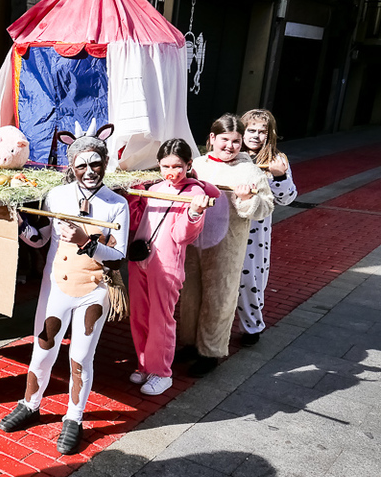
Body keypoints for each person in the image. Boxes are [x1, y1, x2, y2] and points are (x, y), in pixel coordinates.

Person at [0, 130, 129, 456]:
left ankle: (74, 417)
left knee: (81, 357)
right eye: (81, 165)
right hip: (56, 286)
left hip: (94, 290)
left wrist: (86, 241)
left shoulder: (117, 205)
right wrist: (18, 224)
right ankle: (30, 404)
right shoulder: (56, 196)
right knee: (42, 349)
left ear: (106, 162)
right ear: (71, 166)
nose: (89, 171)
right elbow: (40, 239)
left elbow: (118, 256)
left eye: (95, 164)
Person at [177, 114, 274, 376]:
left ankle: (210, 352)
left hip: (227, 247)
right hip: (194, 243)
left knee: (219, 298)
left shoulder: (249, 170)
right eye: (224, 140)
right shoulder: (197, 165)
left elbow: (266, 207)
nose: (230, 146)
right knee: (190, 296)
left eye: (236, 141)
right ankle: (190, 343)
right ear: (212, 138)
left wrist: (247, 199)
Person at [126, 139, 216, 396]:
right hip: (139, 257)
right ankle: (145, 365)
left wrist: (194, 213)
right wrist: (134, 195)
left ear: (188, 164)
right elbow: (135, 222)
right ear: (158, 164)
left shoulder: (194, 193)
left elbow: (182, 236)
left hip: (166, 264)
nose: (172, 172)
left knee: (162, 319)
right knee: (139, 315)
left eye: (177, 166)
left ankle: (162, 372)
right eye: (166, 166)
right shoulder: (154, 187)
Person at [236, 109, 297, 346]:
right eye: (251, 130)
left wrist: (279, 176)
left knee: (250, 278)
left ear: (270, 134)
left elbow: (288, 198)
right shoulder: (231, 152)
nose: (255, 135)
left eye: (262, 131)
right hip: (226, 226)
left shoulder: (276, 159)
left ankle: (252, 327)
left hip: (255, 230)